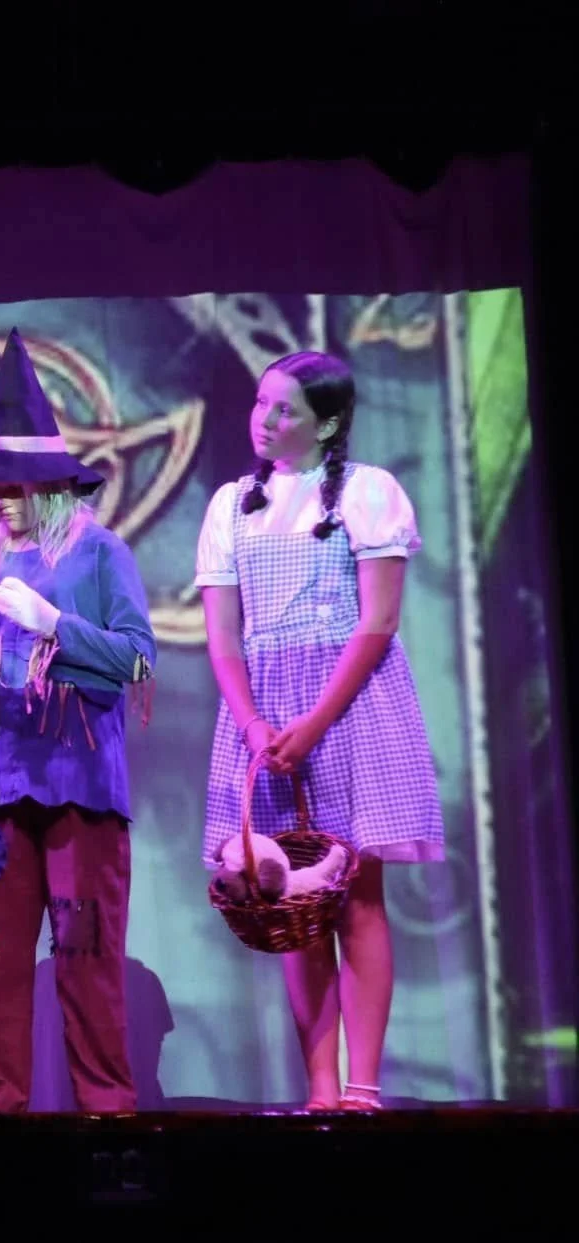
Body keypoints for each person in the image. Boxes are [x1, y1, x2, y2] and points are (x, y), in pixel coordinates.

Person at [195, 350, 442, 1113]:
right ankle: (321, 1086)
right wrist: (253, 723)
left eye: (285, 411)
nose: (264, 421)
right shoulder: (232, 505)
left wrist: (315, 720)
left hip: (348, 701)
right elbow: (224, 637)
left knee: (356, 893)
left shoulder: (368, 492)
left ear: (327, 422)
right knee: (291, 899)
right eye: (262, 404)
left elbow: (378, 622)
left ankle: (364, 1083)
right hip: (264, 711)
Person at [0, 328, 156, 1115]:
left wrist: (56, 621)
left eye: (18, 482)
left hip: (79, 794)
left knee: (85, 961)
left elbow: (135, 661)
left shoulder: (98, 554)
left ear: (54, 484)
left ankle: (108, 1122)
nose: (1, 496)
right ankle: (0, 1121)